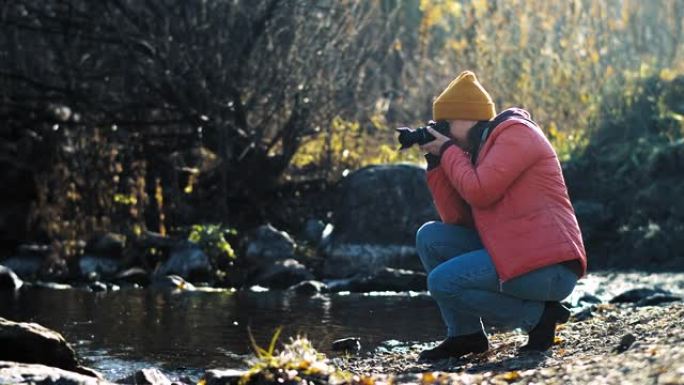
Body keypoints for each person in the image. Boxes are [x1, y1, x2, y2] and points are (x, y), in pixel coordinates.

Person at [411, 70, 587, 361]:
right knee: (430, 237)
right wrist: (437, 162)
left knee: (442, 282)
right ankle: (465, 335)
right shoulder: (478, 151)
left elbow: (480, 191)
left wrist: (448, 151)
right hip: (517, 254)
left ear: (466, 117)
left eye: (446, 124)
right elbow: (458, 220)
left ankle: (538, 318)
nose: (444, 132)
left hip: (548, 267)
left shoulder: (516, 134)